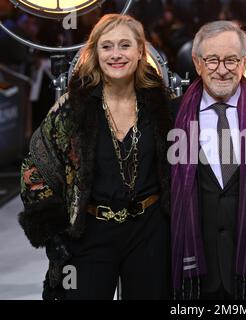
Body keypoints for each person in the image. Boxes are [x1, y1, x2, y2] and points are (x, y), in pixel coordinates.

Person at [19, 14, 172, 300]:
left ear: (140, 52)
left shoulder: (161, 105)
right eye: (107, 46)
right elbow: (34, 168)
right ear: (95, 52)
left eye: (125, 45)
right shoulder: (72, 107)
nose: (116, 54)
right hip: (90, 232)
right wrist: (52, 231)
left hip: (150, 231)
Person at [170, 20, 246, 300]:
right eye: (212, 60)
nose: (222, 69)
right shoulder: (171, 116)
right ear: (197, 62)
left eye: (231, 60)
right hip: (195, 275)